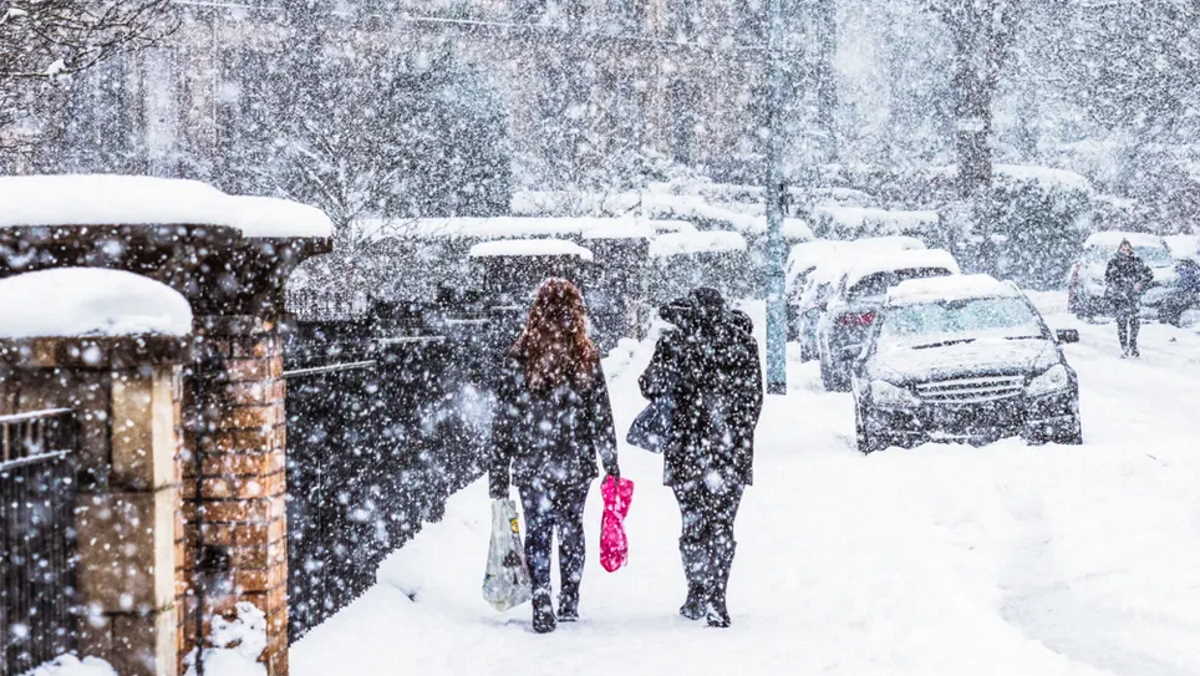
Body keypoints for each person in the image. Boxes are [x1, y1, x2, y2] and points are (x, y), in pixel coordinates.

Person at [489, 278, 619, 634]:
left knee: (538, 530)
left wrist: (498, 473)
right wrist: (611, 462)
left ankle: (542, 595)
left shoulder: (520, 355)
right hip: (575, 459)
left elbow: (504, 419)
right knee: (571, 528)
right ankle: (570, 597)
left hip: (533, 460)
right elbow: (600, 413)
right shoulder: (585, 355)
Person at [638, 288, 763, 628]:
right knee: (722, 524)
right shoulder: (742, 343)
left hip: (685, 448)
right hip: (730, 451)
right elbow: (754, 402)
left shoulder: (675, 342)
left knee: (693, 522)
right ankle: (718, 597)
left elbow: (649, 386)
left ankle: (696, 591)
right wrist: (734, 435)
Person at [1104, 239, 1154, 357]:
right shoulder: (1114, 262)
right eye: (1123, 249)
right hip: (1120, 297)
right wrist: (1116, 287)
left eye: (1128, 249)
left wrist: (1140, 284)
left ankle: (1133, 344)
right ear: (1119, 249)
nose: (1126, 252)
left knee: (1135, 322)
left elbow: (1149, 275)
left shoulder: (1137, 261)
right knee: (1122, 322)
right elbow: (1107, 278)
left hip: (1133, 296)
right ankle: (1124, 347)